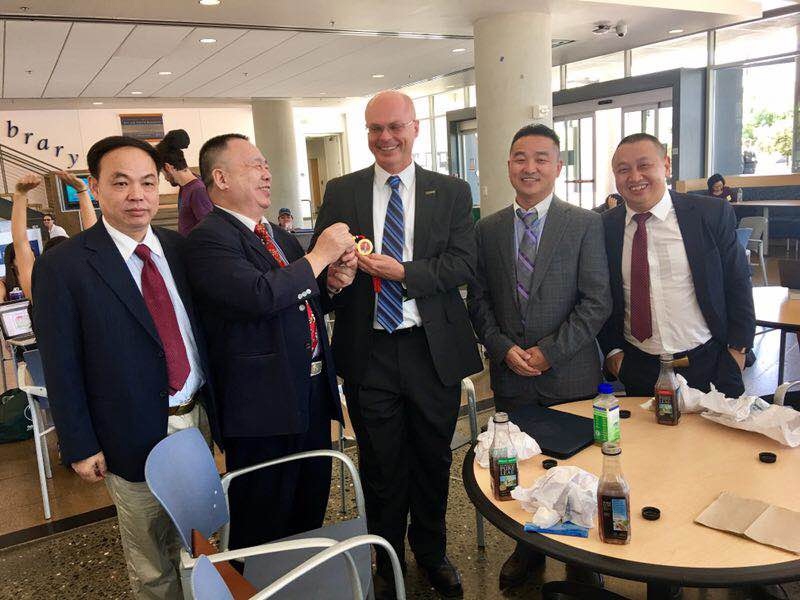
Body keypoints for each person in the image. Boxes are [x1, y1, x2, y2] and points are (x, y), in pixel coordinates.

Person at [32, 135, 220, 600]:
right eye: (121, 183)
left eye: (147, 182)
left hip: (197, 419)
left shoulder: (179, 249)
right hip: (129, 433)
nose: (137, 195)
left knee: (201, 542)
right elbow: (61, 362)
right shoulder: (65, 265)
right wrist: (79, 444)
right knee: (151, 560)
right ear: (95, 188)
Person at [312, 90, 483, 599]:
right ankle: (386, 558)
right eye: (375, 129)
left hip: (432, 349)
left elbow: (463, 264)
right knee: (380, 462)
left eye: (394, 127)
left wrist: (404, 272)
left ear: (415, 128)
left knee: (433, 458)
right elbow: (321, 267)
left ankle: (431, 552)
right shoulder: (342, 191)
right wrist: (335, 278)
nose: (385, 138)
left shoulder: (450, 191)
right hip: (370, 350)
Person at [184, 133, 356, 551]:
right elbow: (258, 296)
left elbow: (300, 296)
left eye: (266, 165)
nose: (267, 174)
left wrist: (332, 283)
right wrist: (320, 255)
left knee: (309, 505)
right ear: (220, 178)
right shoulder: (209, 238)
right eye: (255, 165)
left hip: (309, 390)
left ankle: (301, 575)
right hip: (261, 405)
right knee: (263, 516)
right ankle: (257, 582)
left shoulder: (276, 235)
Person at [467, 124, 611, 590]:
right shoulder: (487, 229)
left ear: (558, 166)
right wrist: (502, 348)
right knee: (521, 466)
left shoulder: (584, 223)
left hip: (570, 373)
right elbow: (479, 301)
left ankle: (581, 558)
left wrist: (548, 352)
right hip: (511, 375)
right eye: (520, 158)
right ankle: (527, 547)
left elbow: (596, 302)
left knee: (578, 468)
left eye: (541, 158)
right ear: (508, 164)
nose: (529, 167)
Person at [599, 133, 755, 399]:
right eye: (623, 170)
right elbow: (599, 294)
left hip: (711, 362)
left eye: (644, 165)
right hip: (639, 367)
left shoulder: (710, 214)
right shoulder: (604, 227)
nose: (634, 177)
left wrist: (737, 351)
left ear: (666, 166)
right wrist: (614, 354)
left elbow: (737, 281)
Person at [1, 172, 96, 301]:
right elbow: (93, 236)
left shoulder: (39, 289)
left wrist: (20, 195)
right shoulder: (89, 283)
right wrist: (82, 192)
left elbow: (20, 242)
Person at [155, 129, 213, 236]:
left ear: (168, 167)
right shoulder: (186, 186)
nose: (166, 179)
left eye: (163, 173)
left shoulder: (198, 191)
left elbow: (211, 231)